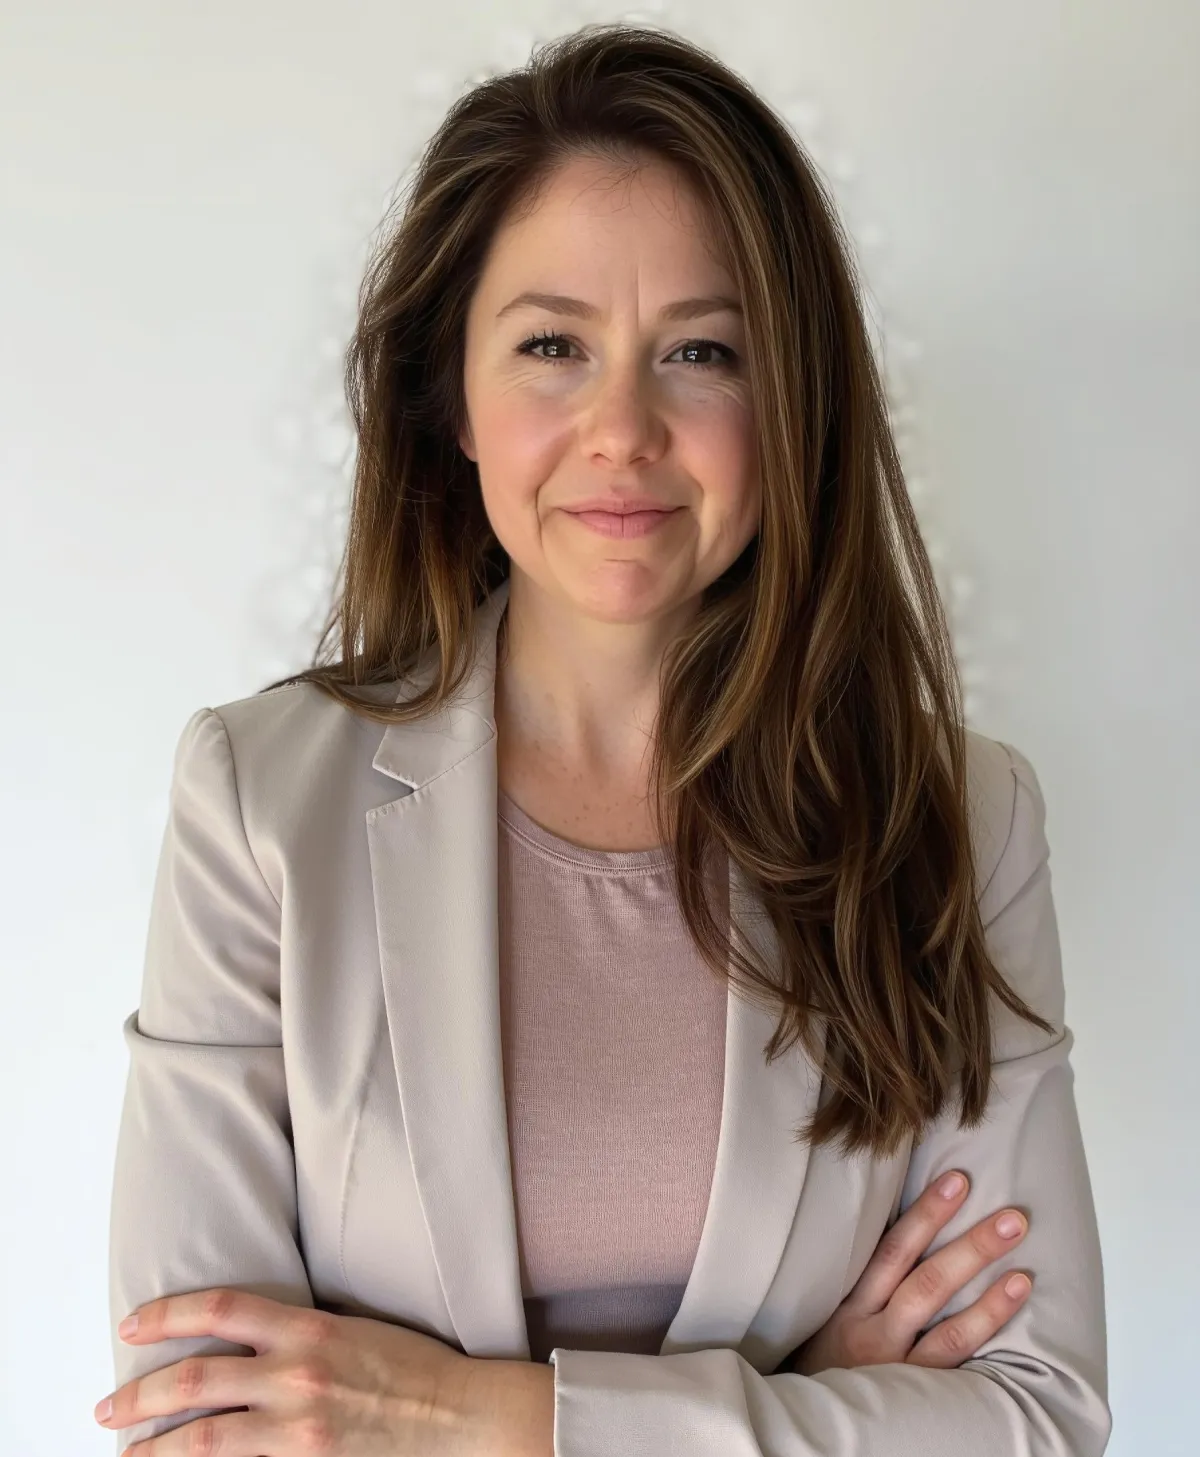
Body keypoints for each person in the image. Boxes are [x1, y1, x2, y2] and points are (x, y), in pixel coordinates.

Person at [97, 21, 1110, 1457]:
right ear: (450, 398)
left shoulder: (957, 818)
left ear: (792, 403)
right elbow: (197, 1423)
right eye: (554, 346)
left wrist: (483, 1418)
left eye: (701, 350)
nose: (623, 429)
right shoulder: (261, 805)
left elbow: (1035, 1420)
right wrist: (798, 1399)